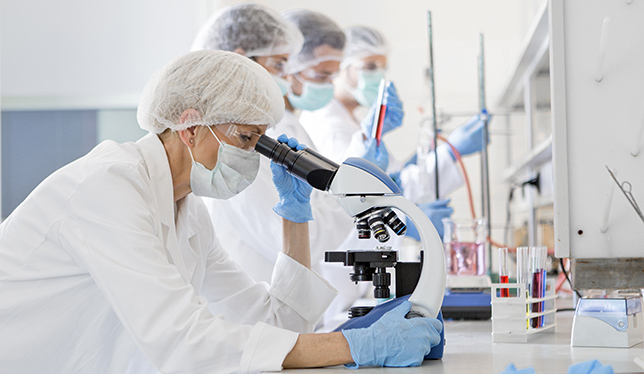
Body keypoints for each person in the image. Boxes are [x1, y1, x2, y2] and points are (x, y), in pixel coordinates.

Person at [0, 50, 441, 372]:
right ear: (191, 127)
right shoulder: (106, 189)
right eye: (248, 139)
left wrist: (295, 215)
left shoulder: (186, 211)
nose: (253, 157)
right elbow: (183, 341)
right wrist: (353, 346)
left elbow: (277, 323)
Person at [196, 7, 387, 330]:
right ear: (242, 60)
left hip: (278, 321)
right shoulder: (238, 146)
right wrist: (349, 198)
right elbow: (301, 242)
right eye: (281, 64)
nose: (287, 74)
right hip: (254, 323)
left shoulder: (279, 130)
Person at [300, 25, 489, 239]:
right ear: (341, 66)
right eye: (370, 66)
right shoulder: (331, 127)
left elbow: (391, 181)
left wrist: (428, 153)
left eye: (382, 67)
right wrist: (409, 222)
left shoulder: (352, 120)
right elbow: (352, 203)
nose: (378, 75)